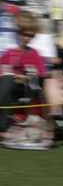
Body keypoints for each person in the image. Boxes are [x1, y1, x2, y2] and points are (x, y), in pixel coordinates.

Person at [0, 10, 51, 146]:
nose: (27, 38)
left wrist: (25, 77)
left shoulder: (34, 54)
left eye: (30, 35)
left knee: (7, 83)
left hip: (27, 87)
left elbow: (39, 76)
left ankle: (2, 128)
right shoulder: (9, 53)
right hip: (8, 84)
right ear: (18, 32)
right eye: (24, 34)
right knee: (6, 82)